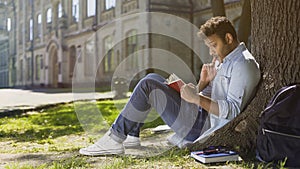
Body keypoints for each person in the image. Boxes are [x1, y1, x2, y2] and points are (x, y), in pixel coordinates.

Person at [79, 16, 261, 156]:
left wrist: (196, 98)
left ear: (228, 38)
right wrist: (202, 83)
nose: (211, 51)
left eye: (213, 45)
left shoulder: (243, 65)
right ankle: (132, 134)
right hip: (200, 115)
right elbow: (209, 96)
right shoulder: (224, 60)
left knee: (148, 85)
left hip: (202, 127)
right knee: (152, 77)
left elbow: (232, 111)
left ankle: (114, 138)